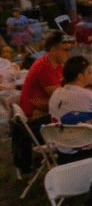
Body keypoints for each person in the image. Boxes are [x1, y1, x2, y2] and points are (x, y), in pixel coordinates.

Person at [14, 32, 72, 174]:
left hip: (46, 112)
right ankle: (72, 161)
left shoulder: (54, 63)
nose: (69, 53)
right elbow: (61, 98)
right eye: (65, 50)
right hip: (36, 121)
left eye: (70, 49)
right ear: (53, 50)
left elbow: (67, 87)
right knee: (80, 120)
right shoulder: (44, 67)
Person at [49, 56, 92, 130]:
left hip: (57, 138)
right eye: (89, 72)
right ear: (80, 77)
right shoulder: (86, 94)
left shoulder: (56, 93)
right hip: (83, 139)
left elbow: (74, 105)